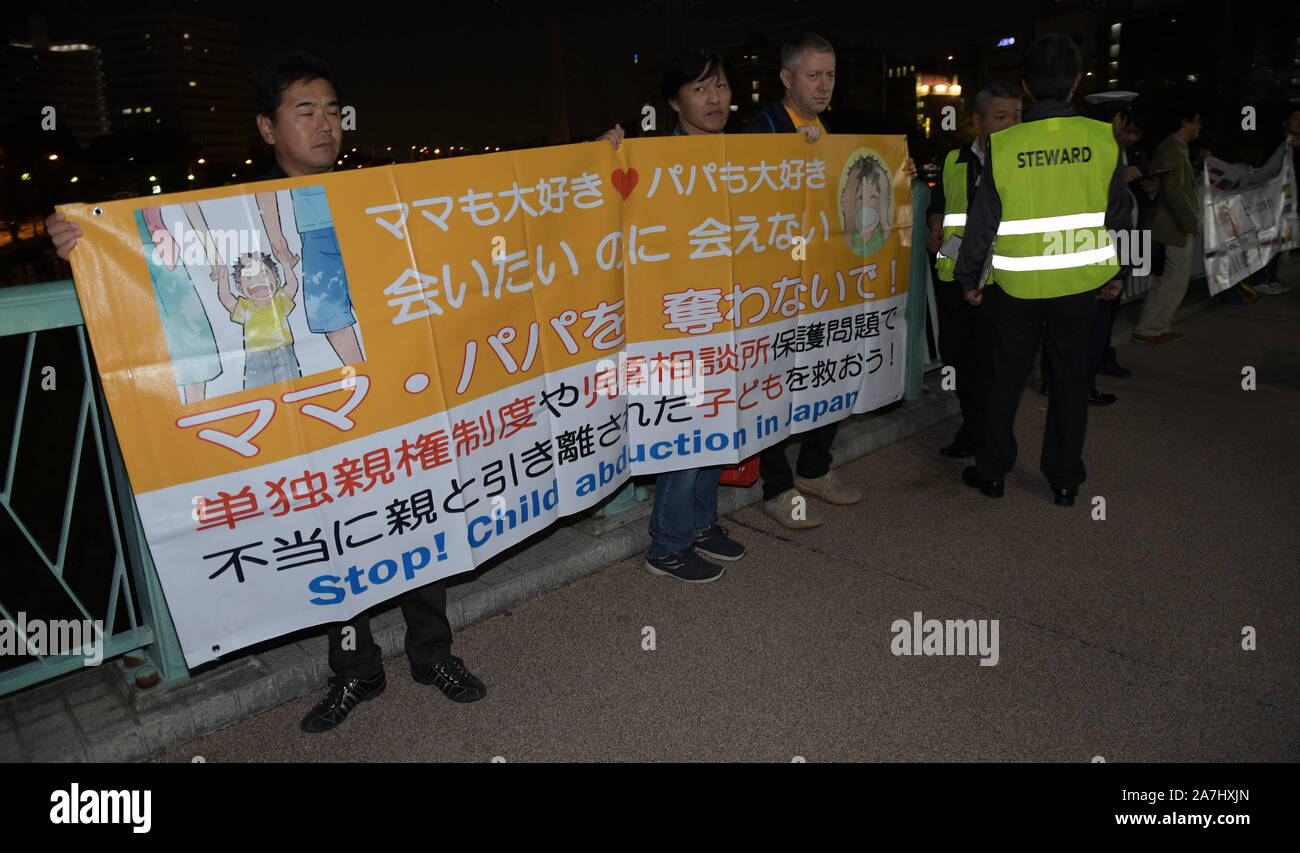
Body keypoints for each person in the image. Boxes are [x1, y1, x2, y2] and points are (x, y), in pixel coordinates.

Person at [47, 51, 486, 732]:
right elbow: (153, 257)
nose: (325, 124)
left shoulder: (383, 195)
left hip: (391, 401)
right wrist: (81, 242)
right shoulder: (231, 214)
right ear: (266, 127)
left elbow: (485, 219)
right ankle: (357, 667)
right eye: (304, 111)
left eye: (333, 110)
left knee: (414, 512)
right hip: (307, 415)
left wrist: (598, 164)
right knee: (336, 531)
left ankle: (433, 653)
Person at [955, 33, 1131, 507]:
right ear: (1076, 83)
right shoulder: (1103, 139)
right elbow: (1120, 216)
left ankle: (992, 472)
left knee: (1005, 377)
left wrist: (970, 278)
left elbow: (983, 221)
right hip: (1079, 283)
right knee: (1070, 378)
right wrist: (1119, 273)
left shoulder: (1005, 144)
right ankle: (1065, 480)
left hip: (1018, 285)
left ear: (1027, 87)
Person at [598, 48, 748, 584]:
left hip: (726, 319)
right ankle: (667, 546)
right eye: (700, 88)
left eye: (721, 85)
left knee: (718, 426)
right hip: (673, 324)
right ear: (674, 102)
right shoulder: (651, 159)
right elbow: (595, 210)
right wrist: (600, 157)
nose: (714, 98)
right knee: (686, 435)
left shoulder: (746, 157)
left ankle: (702, 525)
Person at [745, 32, 863, 529]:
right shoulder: (760, 132)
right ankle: (776, 488)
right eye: (812, 75)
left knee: (830, 368)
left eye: (830, 75)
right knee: (772, 383)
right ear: (786, 79)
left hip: (821, 283)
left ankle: (814, 469)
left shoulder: (829, 132)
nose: (823, 85)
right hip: (774, 286)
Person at [926, 81, 1022, 459]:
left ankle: (989, 439)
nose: (1010, 124)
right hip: (954, 275)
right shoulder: (953, 159)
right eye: (1001, 117)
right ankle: (975, 428)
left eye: (1016, 116)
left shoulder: (1023, 162)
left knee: (994, 363)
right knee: (957, 358)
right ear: (978, 120)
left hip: (1002, 280)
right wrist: (935, 227)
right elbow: (939, 203)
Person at [1132, 104, 1203, 344]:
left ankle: (1155, 326)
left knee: (1170, 278)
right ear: (1185, 122)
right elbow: (1174, 192)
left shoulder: (1174, 149)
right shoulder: (1173, 150)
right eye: (1197, 121)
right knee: (1174, 278)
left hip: (1170, 224)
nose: (1199, 126)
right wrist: (1189, 221)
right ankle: (1150, 328)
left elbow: (1171, 187)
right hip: (1173, 226)